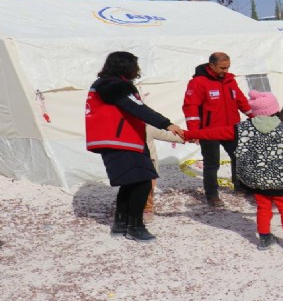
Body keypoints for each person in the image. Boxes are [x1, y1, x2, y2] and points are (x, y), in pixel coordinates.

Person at [183, 91, 283, 252]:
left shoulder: (241, 129)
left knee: (263, 208)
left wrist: (188, 134)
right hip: (281, 178)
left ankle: (264, 238)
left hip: (258, 179)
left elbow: (211, 133)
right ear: (275, 110)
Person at [85, 51, 183, 242]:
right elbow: (136, 108)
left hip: (119, 140)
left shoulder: (106, 83)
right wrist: (167, 124)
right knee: (145, 180)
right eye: (135, 66)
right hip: (119, 140)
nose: (137, 70)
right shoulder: (113, 85)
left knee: (131, 182)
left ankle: (120, 224)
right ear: (125, 66)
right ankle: (135, 226)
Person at [182, 52, 253, 207]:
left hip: (231, 128)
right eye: (222, 68)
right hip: (209, 131)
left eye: (228, 67)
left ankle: (241, 187)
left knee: (240, 157)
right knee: (212, 164)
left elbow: (241, 100)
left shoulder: (230, 80)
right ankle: (212, 195)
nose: (226, 71)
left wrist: (254, 116)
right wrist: (194, 132)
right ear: (211, 65)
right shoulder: (198, 82)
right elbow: (191, 108)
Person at [143, 125, 185, 223]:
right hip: (131, 162)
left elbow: (167, 135)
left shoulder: (147, 128)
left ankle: (148, 208)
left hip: (149, 163)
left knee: (148, 187)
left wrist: (189, 137)